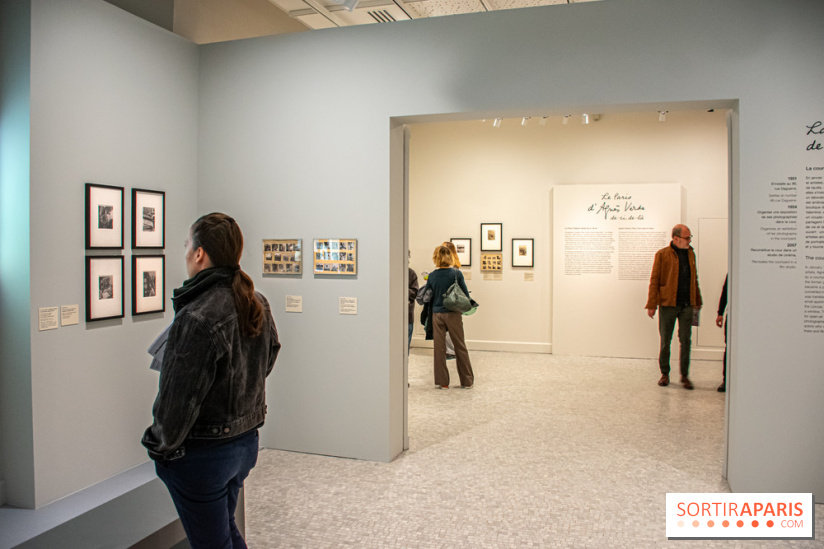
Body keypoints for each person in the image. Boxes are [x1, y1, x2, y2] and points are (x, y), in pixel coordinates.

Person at [142, 213, 281, 549]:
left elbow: (178, 399)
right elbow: (269, 355)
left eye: (188, 246)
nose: (186, 253)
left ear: (200, 253)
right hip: (245, 445)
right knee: (225, 532)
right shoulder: (255, 301)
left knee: (213, 542)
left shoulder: (197, 315)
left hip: (205, 455)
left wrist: (159, 448)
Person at [645, 224, 702, 390]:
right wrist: (651, 304)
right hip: (668, 304)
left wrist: (697, 300)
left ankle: (684, 375)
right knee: (665, 341)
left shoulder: (691, 254)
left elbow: (694, 278)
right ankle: (664, 373)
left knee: (686, 340)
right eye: (687, 237)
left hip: (687, 305)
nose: (690, 240)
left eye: (690, 237)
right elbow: (654, 280)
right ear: (676, 238)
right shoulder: (662, 255)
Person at [424, 245, 474, 389]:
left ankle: (443, 382)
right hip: (453, 313)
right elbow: (464, 294)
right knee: (460, 346)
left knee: (439, 349)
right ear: (450, 257)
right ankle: (467, 381)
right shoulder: (456, 274)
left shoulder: (432, 275)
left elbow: (428, 296)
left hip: (437, 314)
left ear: (436, 257)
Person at [441, 241, 461, 360]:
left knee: (448, 328)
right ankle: (450, 350)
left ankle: (451, 351)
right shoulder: (456, 267)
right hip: (452, 300)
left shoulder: (452, 268)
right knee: (450, 327)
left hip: (448, 300)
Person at [716, 275, 728, 392]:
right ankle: (726, 379)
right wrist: (720, 312)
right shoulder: (734, 272)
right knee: (729, 348)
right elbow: (725, 292)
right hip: (733, 314)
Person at [408, 253, 419, 355]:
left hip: (407, 314)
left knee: (406, 340)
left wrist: (402, 290)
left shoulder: (411, 273)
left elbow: (415, 292)